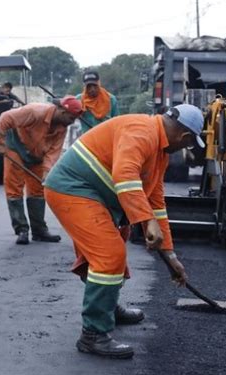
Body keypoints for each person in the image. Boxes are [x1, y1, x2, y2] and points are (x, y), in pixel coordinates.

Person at [44, 104, 205, 359]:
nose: (185, 148)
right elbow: (125, 174)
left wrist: (170, 255)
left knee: (116, 243)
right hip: (72, 189)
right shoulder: (142, 131)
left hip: (95, 195)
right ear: (184, 137)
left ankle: (107, 307)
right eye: (187, 144)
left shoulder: (158, 151)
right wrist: (145, 220)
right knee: (109, 254)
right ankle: (93, 335)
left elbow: (156, 201)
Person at [0, 96, 83, 245]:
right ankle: (22, 229)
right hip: (17, 147)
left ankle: (39, 230)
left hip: (37, 155)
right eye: (71, 117)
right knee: (14, 188)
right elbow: (5, 117)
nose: (72, 121)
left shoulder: (62, 128)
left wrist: (47, 172)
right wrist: (0, 142)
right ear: (62, 111)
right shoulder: (35, 111)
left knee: (37, 190)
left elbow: (53, 152)